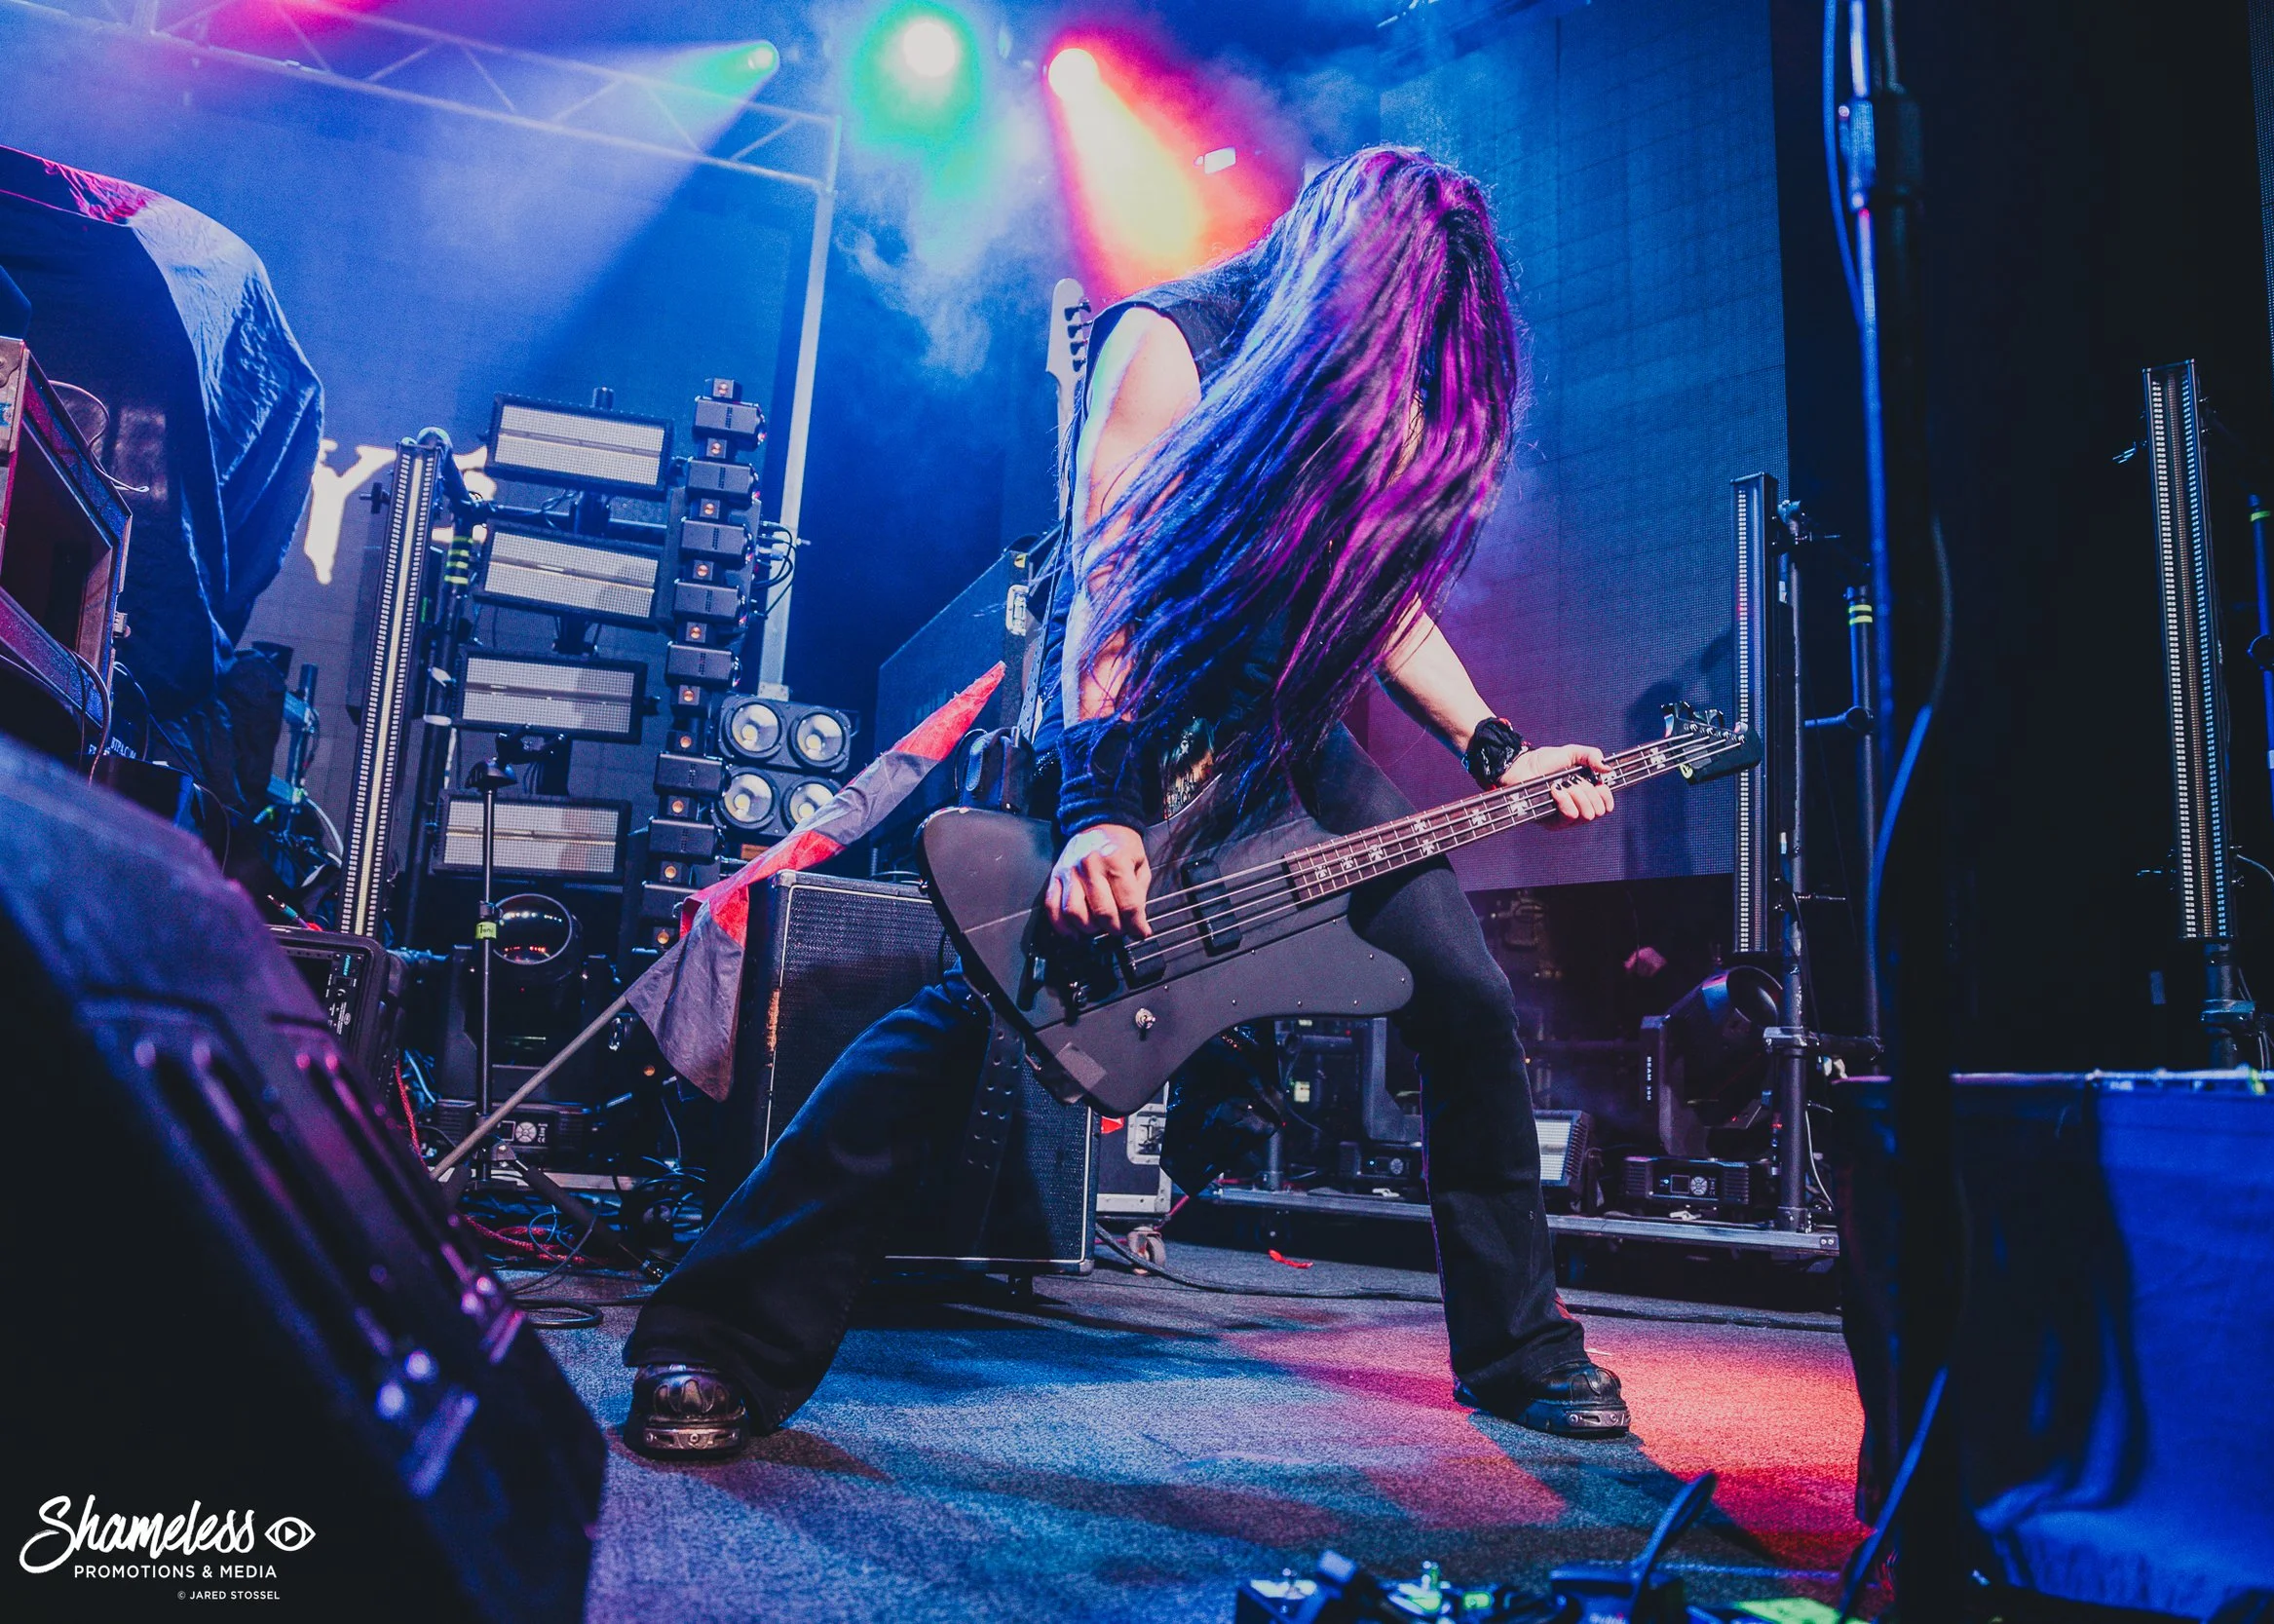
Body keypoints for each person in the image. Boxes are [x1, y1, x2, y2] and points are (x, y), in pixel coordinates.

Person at [623, 147, 1631, 1458]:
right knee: (991, 1014)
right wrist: (1100, 802)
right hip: (1138, 714)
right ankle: (715, 1336)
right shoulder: (1176, 341)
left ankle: (1518, 1348)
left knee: (1466, 993)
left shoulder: (1359, 402)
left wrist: (1498, 750)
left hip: (1284, 738)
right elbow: (1110, 578)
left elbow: (1379, 602)